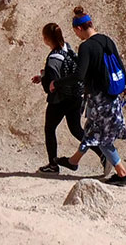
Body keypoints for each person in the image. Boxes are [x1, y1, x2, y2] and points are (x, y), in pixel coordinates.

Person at [57, 6, 126, 185]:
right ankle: (73, 161)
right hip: (113, 95)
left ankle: (123, 174)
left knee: (103, 140)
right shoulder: (107, 39)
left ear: (79, 28)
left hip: (99, 99)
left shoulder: (86, 47)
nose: (77, 36)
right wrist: (125, 83)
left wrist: (57, 83)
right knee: (91, 131)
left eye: (76, 32)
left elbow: (79, 76)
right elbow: (119, 63)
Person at [30, 23, 82, 174]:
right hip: (76, 96)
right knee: (77, 129)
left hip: (59, 100)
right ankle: (103, 154)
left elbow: (51, 86)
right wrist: (42, 76)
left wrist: (44, 78)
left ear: (46, 39)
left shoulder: (53, 58)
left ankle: (53, 165)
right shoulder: (68, 48)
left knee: (49, 129)